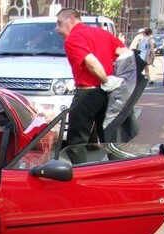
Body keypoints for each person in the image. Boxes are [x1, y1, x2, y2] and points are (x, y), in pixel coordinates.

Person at [55, 8, 128, 164]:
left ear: (72, 19)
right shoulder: (102, 33)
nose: (57, 29)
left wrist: (105, 79)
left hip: (88, 93)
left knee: (76, 139)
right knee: (108, 135)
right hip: (108, 94)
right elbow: (124, 52)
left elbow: (91, 62)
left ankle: (81, 175)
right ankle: (121, 171)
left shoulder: (73, 39)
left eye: (60, 23)